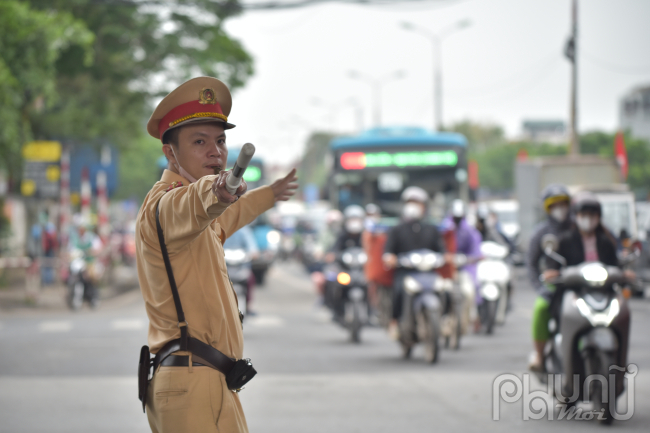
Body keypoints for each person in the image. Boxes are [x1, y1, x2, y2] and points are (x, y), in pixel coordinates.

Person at [135, 76, 298, 433]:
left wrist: (268, 194)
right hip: (192, 383)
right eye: (199, 142)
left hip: (208, 380)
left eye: (220, 141)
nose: (217, 152)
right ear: (170, 153)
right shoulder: (166, 206)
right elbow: (197, 201)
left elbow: (227, 215)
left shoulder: (198, 223)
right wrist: (218, 187)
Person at [382, 187, 446, 339]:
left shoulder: (431, 229)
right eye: (410, 203)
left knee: (445, 289)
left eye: (417, 203)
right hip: (406, 271)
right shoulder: (397, 229)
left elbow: (441, 250)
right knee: (398, 290)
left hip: (428, 271)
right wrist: (391, 258)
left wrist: (444, 257)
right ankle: (395, 322)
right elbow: (388, 251)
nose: (414, 206)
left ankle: (445, 320)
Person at [527, 184, 572, 371]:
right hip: (555, 284)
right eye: (555, 205)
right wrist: (540, 287)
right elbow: (531, 264)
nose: (560, 208)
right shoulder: (541, 233)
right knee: (541, 308)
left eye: (563, 204)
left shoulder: (578, 229)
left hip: (579, 283)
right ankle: (539, 352)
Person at [442, 199, 482, 330]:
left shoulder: (469, 230)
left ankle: (470, 317)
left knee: (470, 290)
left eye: (460, 217)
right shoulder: (444, 229)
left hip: (464, 266)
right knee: (442, 290)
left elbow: (475, 247)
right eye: (455, 217)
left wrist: (474, 257)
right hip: (447, 267)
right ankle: (441, 319)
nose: (457, 220)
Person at [223, 225, 260, 315]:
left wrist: (253, 254)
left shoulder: (245, 231)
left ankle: (249, 306)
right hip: (224, 267)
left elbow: (253, 248)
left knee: (251, 279)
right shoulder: (220, 229)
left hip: (242, 267)